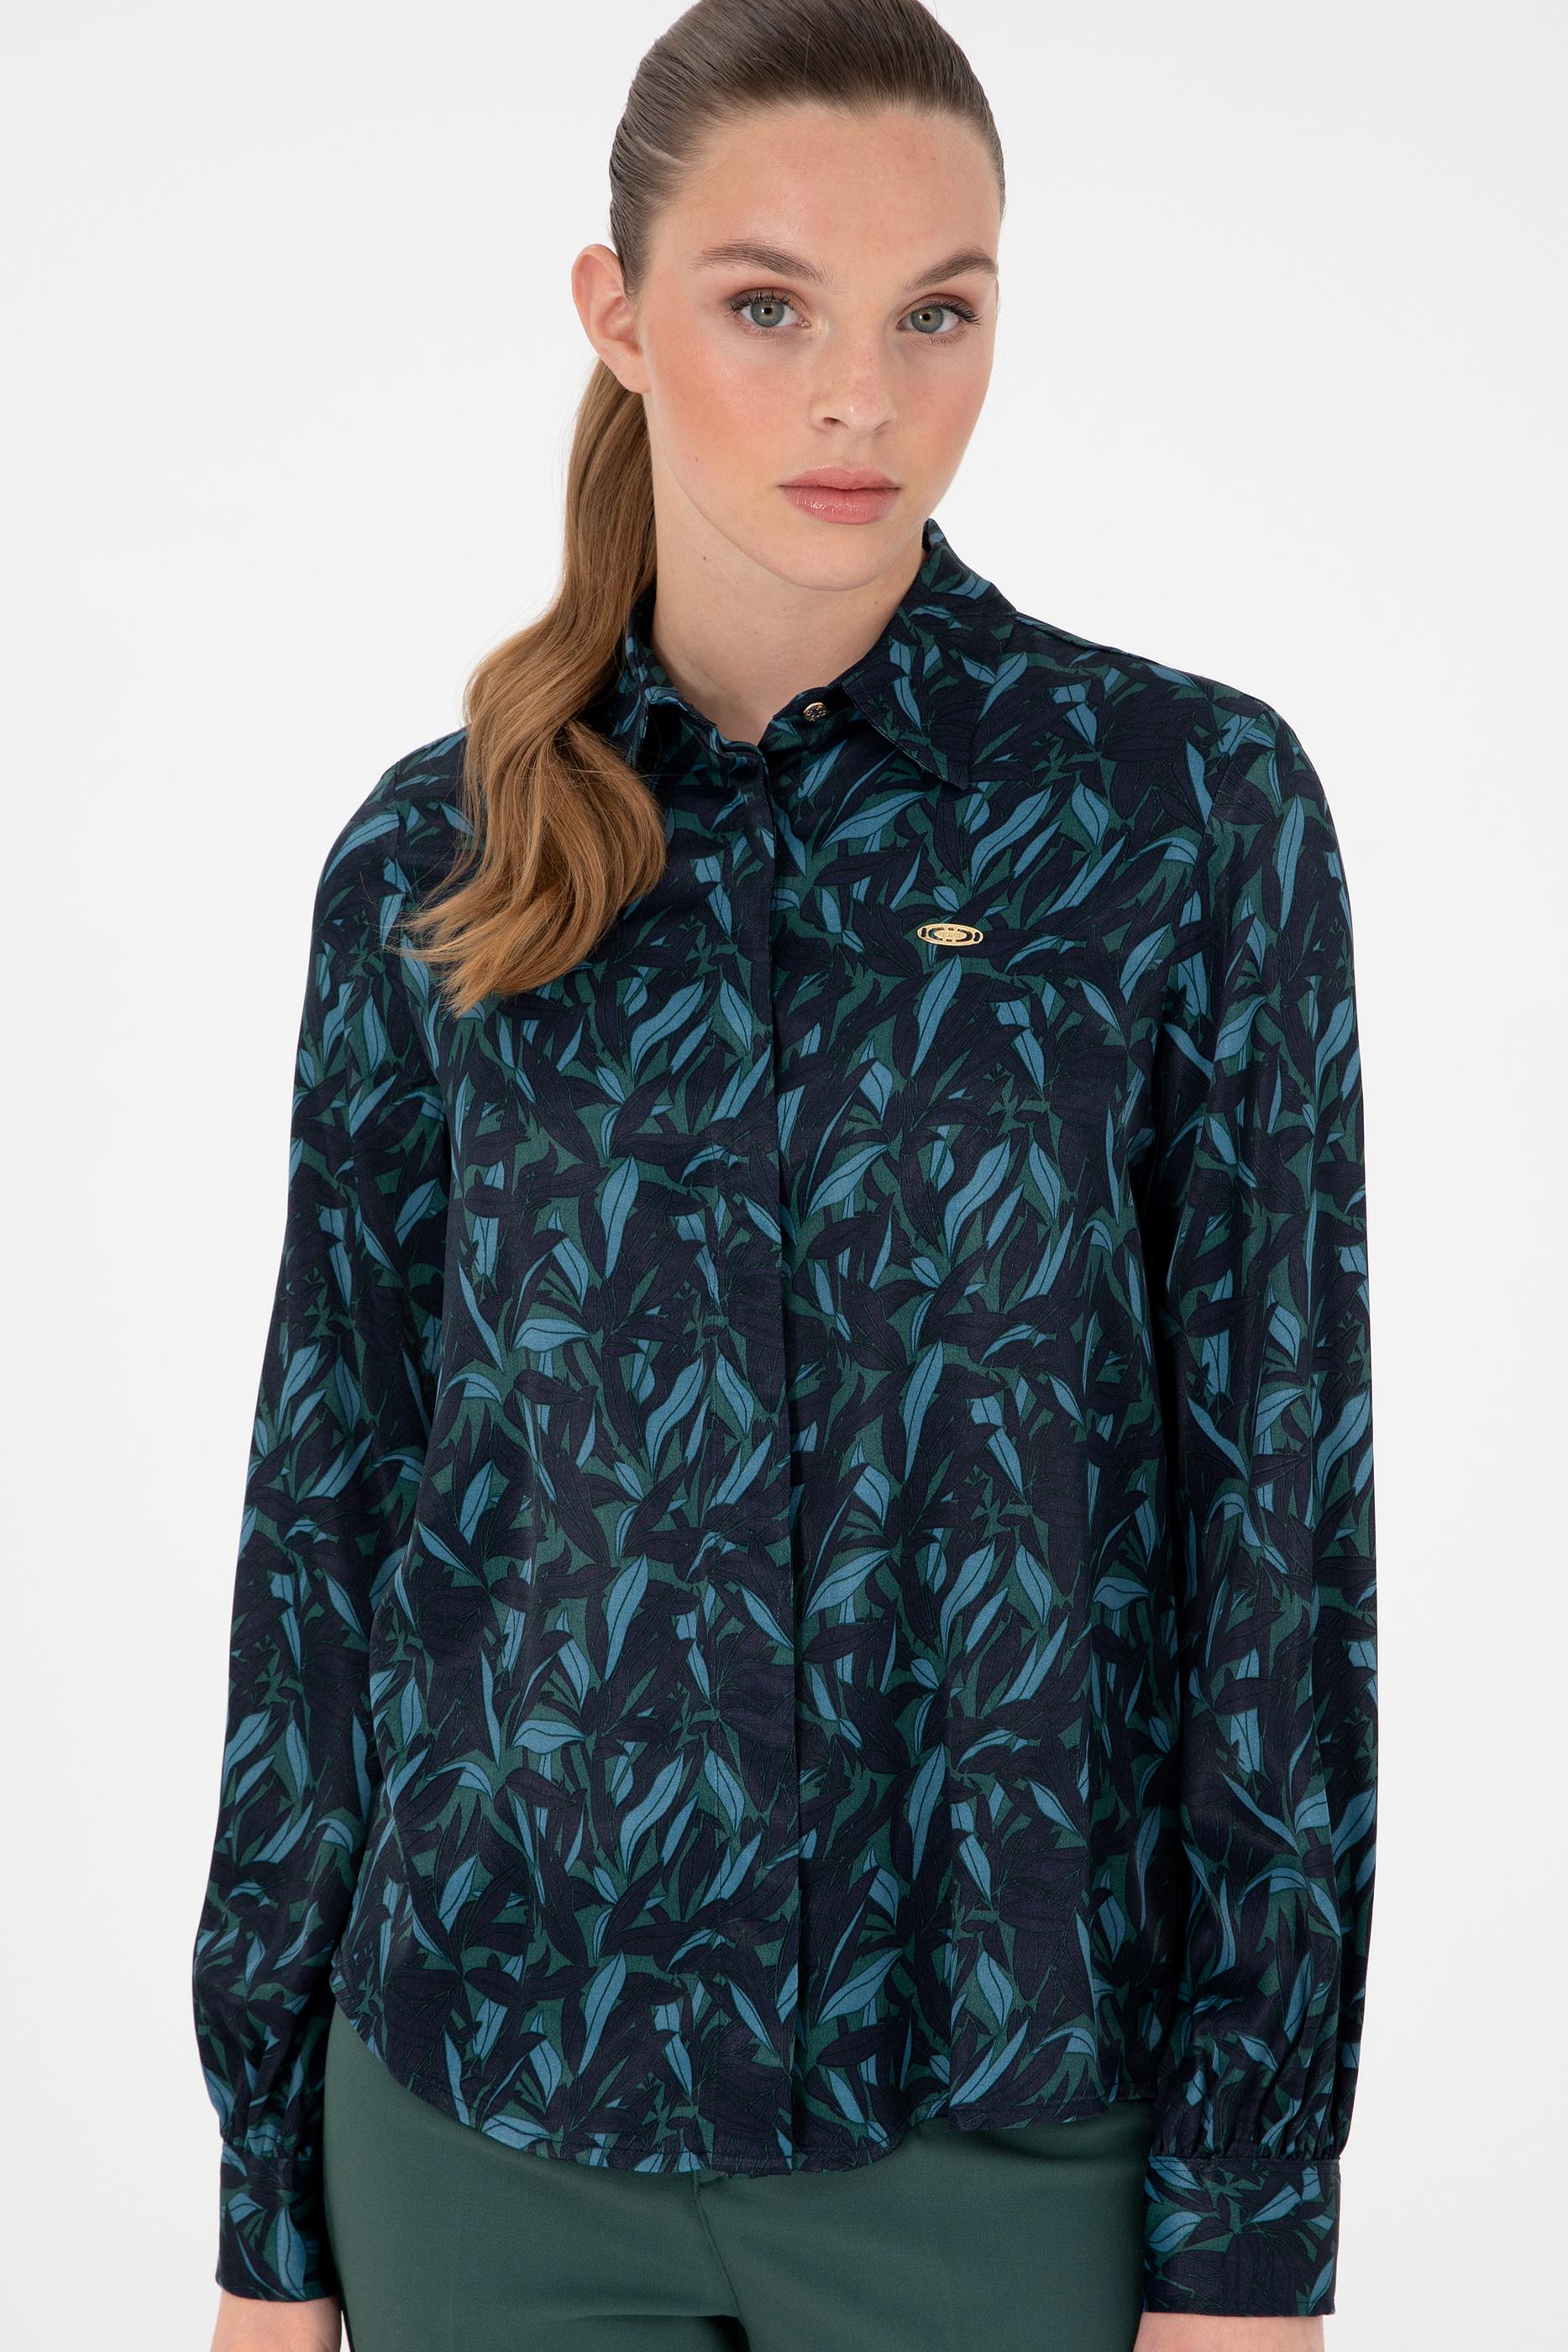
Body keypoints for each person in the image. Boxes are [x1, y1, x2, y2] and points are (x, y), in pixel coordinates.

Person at [191, 3, 1378, 2348]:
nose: (863, 397)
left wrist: (1253, 2216)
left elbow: (1277, 1544)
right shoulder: (433, 860)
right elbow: (330, 1522)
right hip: (476, 2115)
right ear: (617, 315)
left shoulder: (1176, 819)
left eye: (937, 312)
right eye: (768, 306)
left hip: (1004, 2128)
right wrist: (266, 2207)